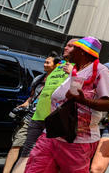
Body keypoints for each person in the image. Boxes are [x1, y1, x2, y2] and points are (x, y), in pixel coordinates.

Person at [25, 37, 109, 173]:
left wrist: (84, 101)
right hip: (51, 134)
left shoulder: (100, 70)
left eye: (73, 48)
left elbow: (108, 103)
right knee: (35, 169)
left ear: (83, 52)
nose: (68, 50)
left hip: (78, 141)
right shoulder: (73, 69)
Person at [12, 40, 76, 173]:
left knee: (46, 159)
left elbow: (81, 90)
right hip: (38, 117)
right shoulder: (59, 65)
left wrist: (73, 73)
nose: (65, 47)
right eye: (66, 44)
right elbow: (45, 89)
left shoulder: (80, 68)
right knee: (27, 153)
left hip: (55, 120)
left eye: (70, 46)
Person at [3, 52, 60, 173]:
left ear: (56, 66)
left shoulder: (59, 81)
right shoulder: (38, 79)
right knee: (16, 145)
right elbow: (32, 96)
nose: (44, 64)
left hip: (45, 119)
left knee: (34, 151)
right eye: (45, 62)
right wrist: (24, 105)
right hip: (30, 116)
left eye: (47, 62)